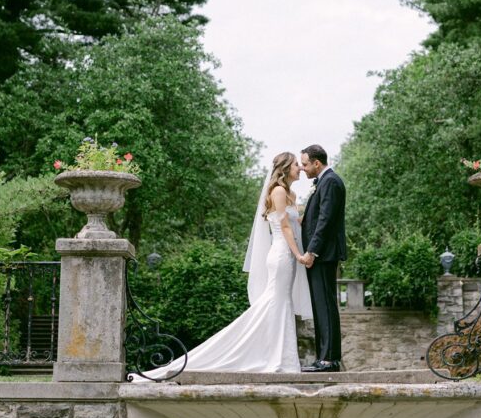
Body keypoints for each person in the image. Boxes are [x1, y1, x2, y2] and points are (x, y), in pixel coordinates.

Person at [131, 152, 312, 380]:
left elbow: (295, 223)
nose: (300, 168)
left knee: (282, 302)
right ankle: (274, 357)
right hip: (282, 255)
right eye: (296, 164)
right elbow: (284, 227)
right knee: (277, 302)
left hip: (288, 256)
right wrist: (299, 255)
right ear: (285, 169)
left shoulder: (291, 194)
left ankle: (283, 358)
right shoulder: (278, 191)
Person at [298, 144, 347, 372]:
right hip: (321, 255)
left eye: (305, 164)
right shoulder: (325, 182)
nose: (303, 168)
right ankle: (324, 358)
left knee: (325, 306)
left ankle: (328, 360)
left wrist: (312, 251)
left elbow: (325, 220)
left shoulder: (331, 182)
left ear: (317, 163)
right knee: (321, 306)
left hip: (324, 255)